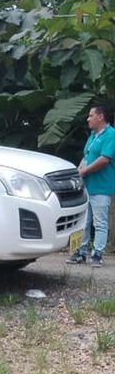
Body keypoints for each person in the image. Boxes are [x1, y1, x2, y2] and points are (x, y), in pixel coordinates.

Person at [67, 103, 115, 266]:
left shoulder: (111, 134)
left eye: (91, 116)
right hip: (87, 186)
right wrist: (78, 171)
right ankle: (80, 252)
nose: (88, 119)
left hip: (101, 186)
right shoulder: (93, 135)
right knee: (83, 221)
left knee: (99, 222)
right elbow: (87, 155)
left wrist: (84, 171)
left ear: (101, 117)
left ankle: (97, 254)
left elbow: (104, 159)